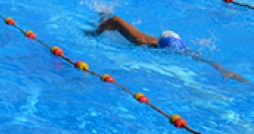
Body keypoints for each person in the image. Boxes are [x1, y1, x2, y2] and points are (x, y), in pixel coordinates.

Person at [90, 15, 246, 82]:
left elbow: (203, 59)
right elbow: (115, 20)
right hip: (121, 28)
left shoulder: (183, 50)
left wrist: (223, 70)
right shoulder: (141, 41)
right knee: (107, 20)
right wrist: (95, 34)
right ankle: (101, 16)